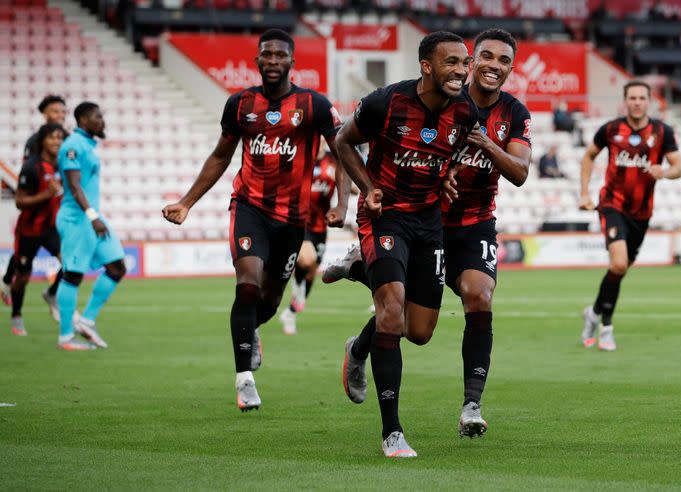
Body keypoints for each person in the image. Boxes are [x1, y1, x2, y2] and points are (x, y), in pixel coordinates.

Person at [162, 29, 345, 412]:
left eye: (281, 55)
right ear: (258, 61)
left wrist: (343, 205)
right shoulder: (240, 104)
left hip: (293, 219)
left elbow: (342, 151)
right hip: (249, 207)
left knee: (270, 298)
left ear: (292, 62)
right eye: (267, 55)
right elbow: (220, 155)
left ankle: (254, 329)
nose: (273, 61)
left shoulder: (314, 105)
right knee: (246, 283)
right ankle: (244, 379)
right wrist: (186, 201)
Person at [334, 31, 479, 458]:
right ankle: (392, 433)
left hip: (428, 222)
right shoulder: (386, 102)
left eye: (464, 63)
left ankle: (358, 334)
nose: (460, 70)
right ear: (426, 66)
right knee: (391, 311)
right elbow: (343, 141)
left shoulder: (465, 112)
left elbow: (448, 155)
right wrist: (368, 187)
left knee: (418, 331)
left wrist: (446, 176)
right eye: (451, 62)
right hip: (384, 215)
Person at [441, 29, 532, 438]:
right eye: (488, 57)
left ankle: (471, 405)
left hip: (477, 220)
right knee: (409, 323)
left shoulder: (515, 113)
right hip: (427, 220)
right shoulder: (443, 98)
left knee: (479, 294)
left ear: (511, 68)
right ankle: (359, 347)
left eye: (504, 60)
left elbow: (519, 173)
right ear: (472, 61)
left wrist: (484, 143)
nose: (495, 65)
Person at [578, 80, 681, 351]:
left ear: (649, 101)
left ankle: (593, 313)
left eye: (641, 98)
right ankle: (607, 329)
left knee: (620, 270)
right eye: (632, 98)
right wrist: (584, 193)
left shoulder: (662, 132)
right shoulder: (611, 129)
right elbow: (589, 156)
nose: (637, 102)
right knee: (619, 264)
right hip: (612, 204)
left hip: (642, 214)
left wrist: (665, 172)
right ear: (625, 101)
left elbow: (678, 167)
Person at [56, 102, 127, 350]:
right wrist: (91, 215)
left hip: (92, 217)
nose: (102, 121)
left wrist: (94, 216)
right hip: (77, 219)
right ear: (84, 119)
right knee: (73, 275)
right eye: (98, 117)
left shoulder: (87, 144)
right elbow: (74, 186)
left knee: (117, 267)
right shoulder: (73, 146)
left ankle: (85, 321)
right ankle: (65, 336)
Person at [2, 95, 67, 307]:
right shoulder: (34, 141)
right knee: (25, 252)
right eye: (55, 111)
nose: (60, 115)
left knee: (68, 260)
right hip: (37, 208)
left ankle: (50, 292)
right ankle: (7, 284)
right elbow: (29, 173)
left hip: (56, 211)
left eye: (63, 112)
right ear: (44, 113)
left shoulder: (67, 138)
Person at [278, 144, 350, 335]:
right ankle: (296, 286)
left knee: (311, 269)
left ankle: (292, 311)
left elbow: (345, 178)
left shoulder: (332, 159)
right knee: (307, 259)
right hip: (298, 221)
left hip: (321, 225)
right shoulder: (299, 154)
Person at [8, 123, 66, 336]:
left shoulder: (62, 165)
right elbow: (19, 202)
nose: (56, 142)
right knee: (22, 277)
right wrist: (45, 195)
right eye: (52, 137)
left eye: (60, 138)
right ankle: (16, 315)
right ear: (43, 141)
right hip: (29, 230)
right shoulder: (32, 167)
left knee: (69, 262)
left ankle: (51, 293)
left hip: (51, 228)